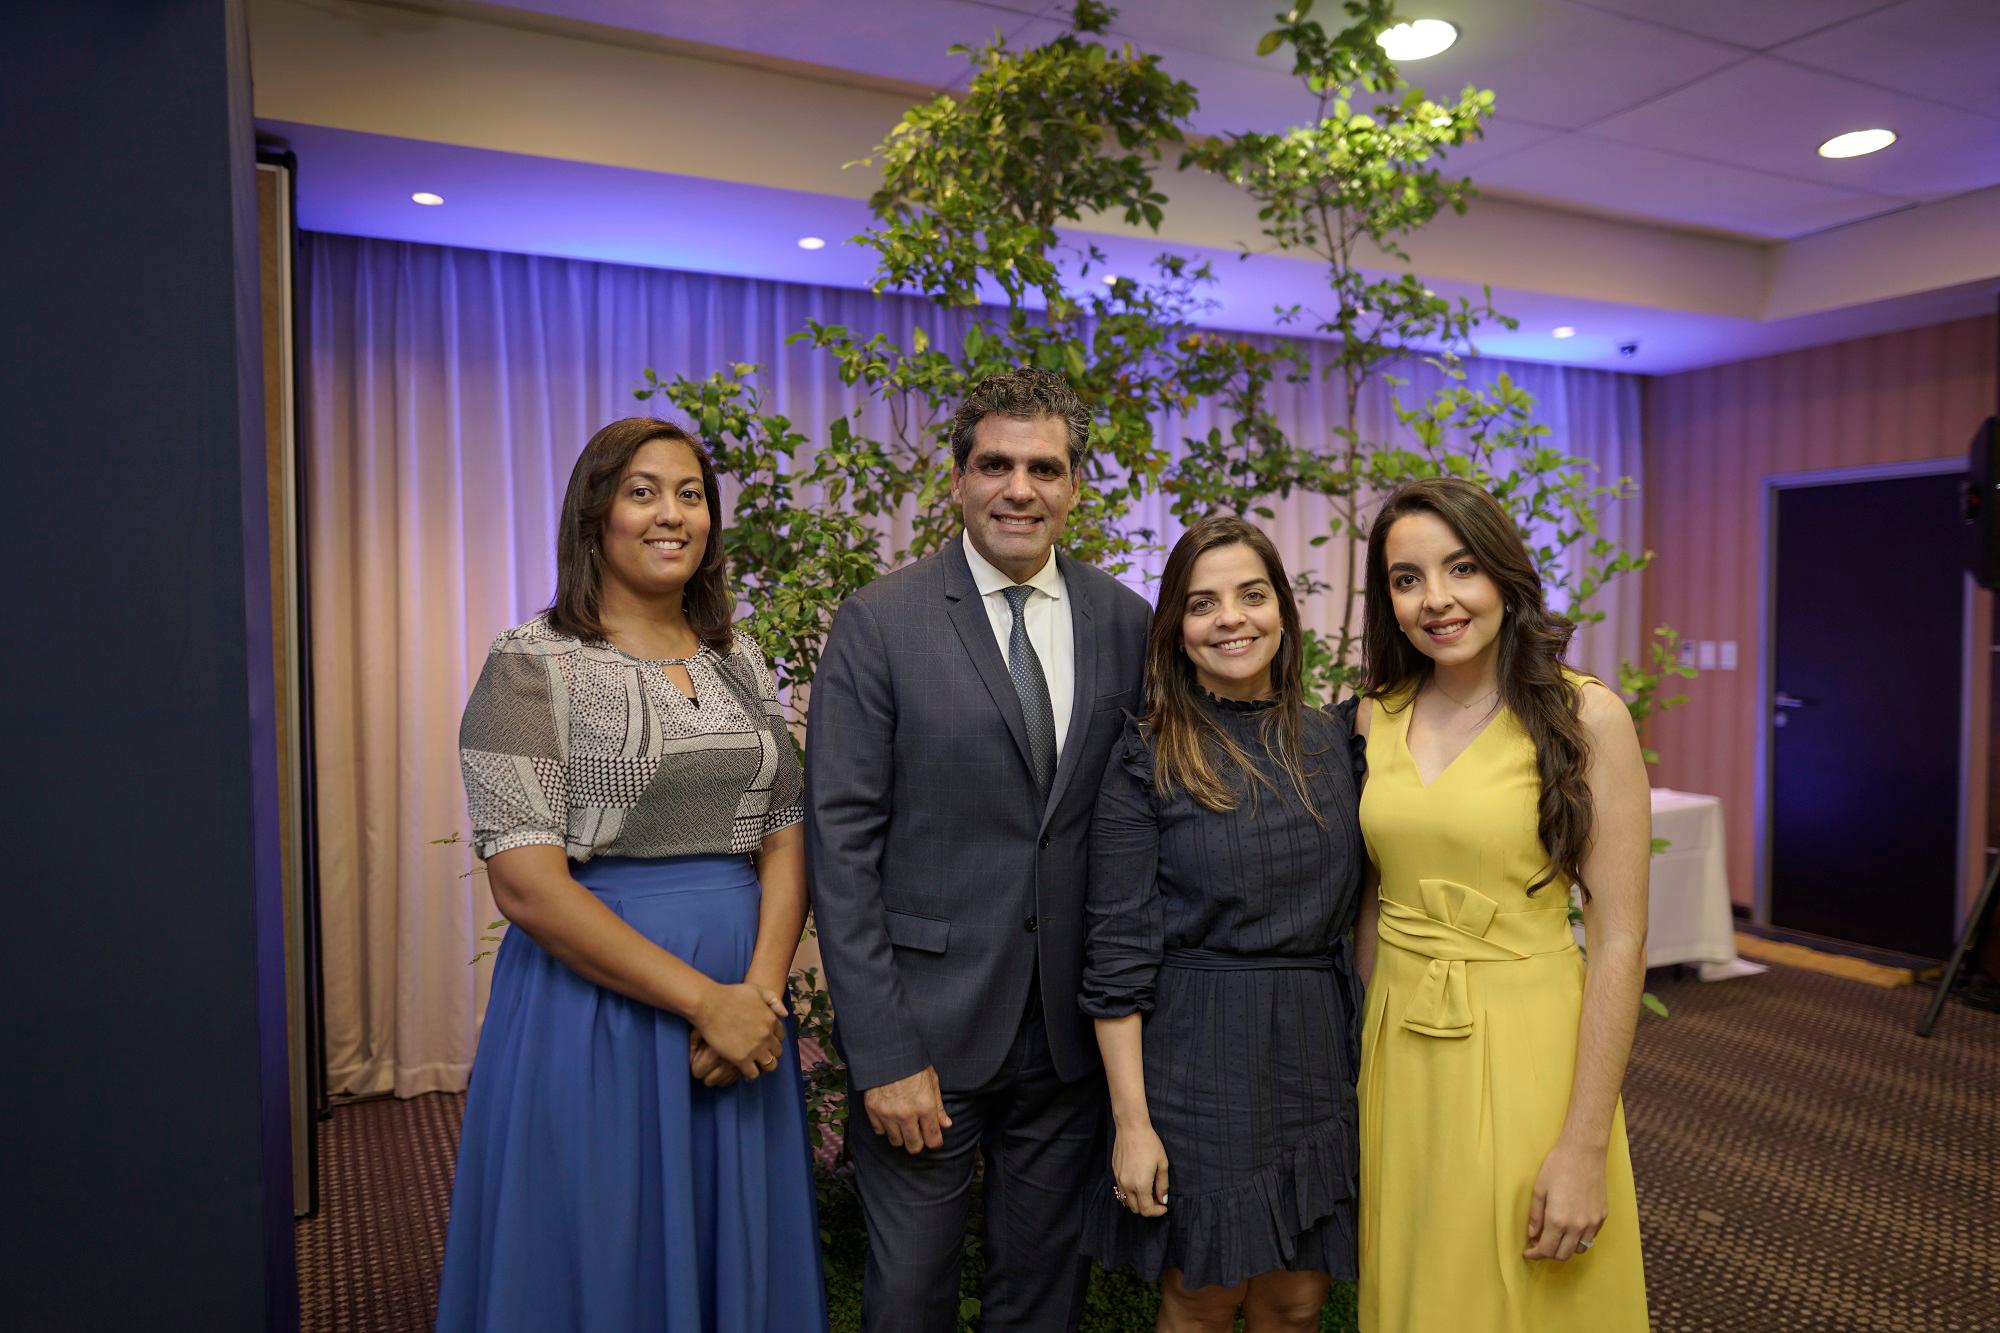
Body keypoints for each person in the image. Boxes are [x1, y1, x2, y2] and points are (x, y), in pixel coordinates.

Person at [435, 418, 826, 1332]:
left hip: (743, 1005)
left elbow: (783, 829)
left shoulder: (737, 655)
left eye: (690, 493)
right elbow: (526, 882)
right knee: (603, 1249)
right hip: (601, 1007)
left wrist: (758, 997)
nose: (672, 514)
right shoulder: (531, 662)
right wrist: (705, 1002)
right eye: (643, 490)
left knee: (734, 1247)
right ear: (594, 516)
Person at [806, 368, 1151, 1331]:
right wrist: (882, 1053)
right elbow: (840, 845)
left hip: (1069, 1033)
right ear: (958, 479)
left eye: (1045, 468)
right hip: (927, 1035)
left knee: (1041, 1299)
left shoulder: (1125, 621)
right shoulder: (883, 620)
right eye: (996, 463)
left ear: (1074, 487)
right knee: (911, 1297)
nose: (1020, 487)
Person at [1352, 476, 1650, 1331]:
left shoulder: (1584, 715)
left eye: (1461, 568)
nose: (1435, 600)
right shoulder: (1375, 717)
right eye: (1407, 579)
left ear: (1505, 577)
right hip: (1399, 1051)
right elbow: (1372, 906)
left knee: (1529, 1293)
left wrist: (1585, 1142)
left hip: (1528, 1044)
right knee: (1416, 1287)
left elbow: (1621, 936)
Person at [1079, 516, 1366, 1331]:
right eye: (1203, 603)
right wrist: (1132, 1123)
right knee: (1201, 1297)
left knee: (1296, 1298)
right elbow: (1117, 956)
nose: (1231, 618)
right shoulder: (1147, 756)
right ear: (1178, 629)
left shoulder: (1337, 740)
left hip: (1318, 1048)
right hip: (1195, 1053)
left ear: (1282, 610)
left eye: (1252, 594)